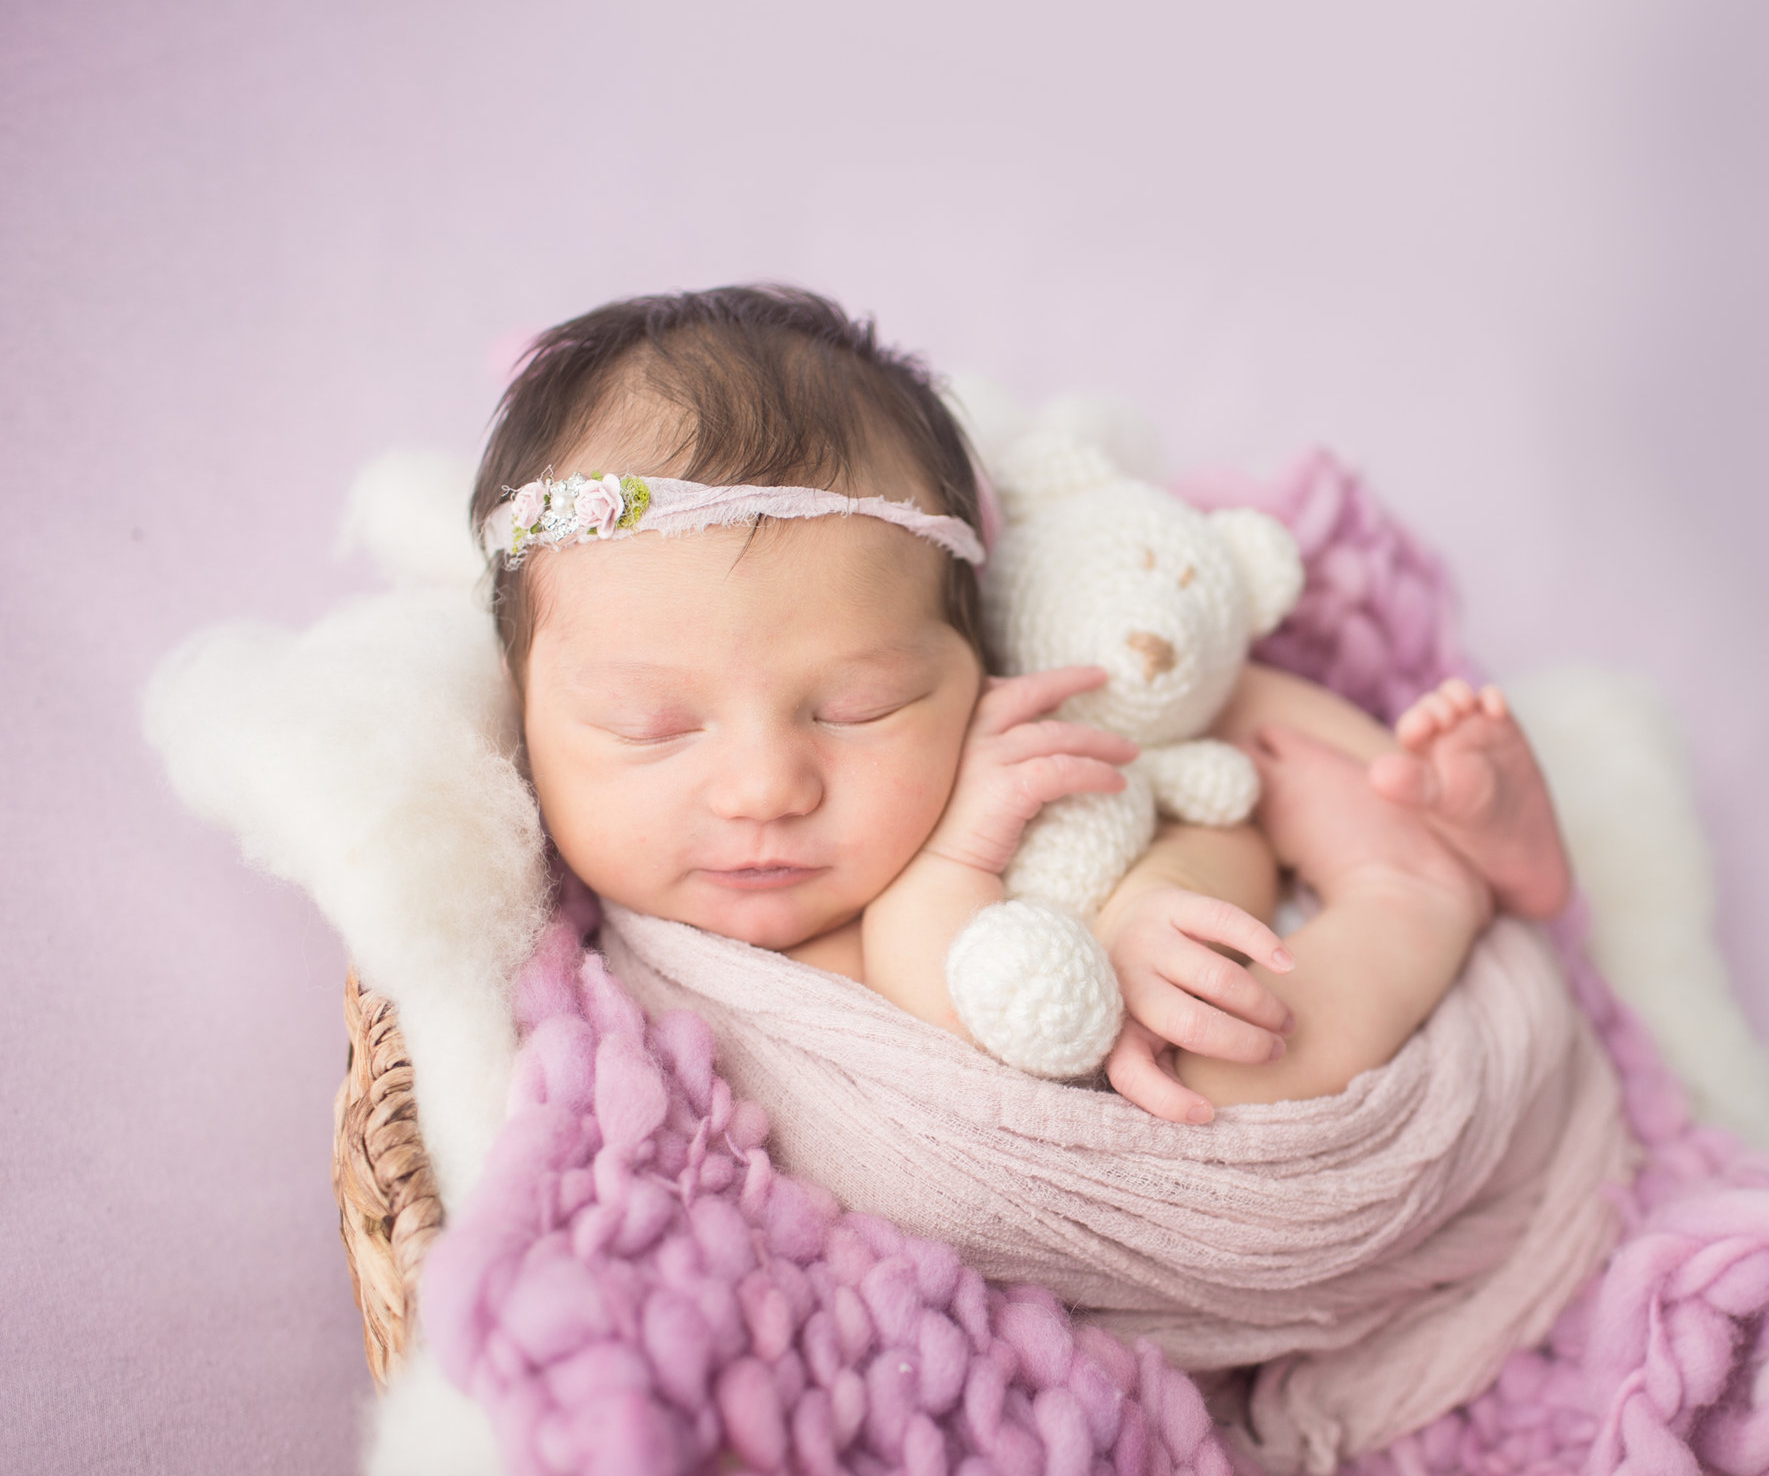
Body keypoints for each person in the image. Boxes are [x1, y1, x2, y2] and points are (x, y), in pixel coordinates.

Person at [478, 284, 1573, 1123]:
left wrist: (1150, 907)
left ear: (973, 651)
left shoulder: (1003, 753)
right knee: (1203, 1056)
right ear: (521, 709)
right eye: (652, 726)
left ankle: (1426, 832)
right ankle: (1414, 887)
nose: (766, 784)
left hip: (1218, 970)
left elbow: (1193, 793)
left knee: (1193, 876)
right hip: (1042, 1151)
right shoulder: (590, 996)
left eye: (860, 705)